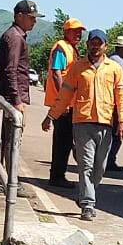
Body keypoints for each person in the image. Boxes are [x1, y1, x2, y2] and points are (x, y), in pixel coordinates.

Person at [64, 28, 123, 221]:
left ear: (105, 46)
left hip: (106, 122)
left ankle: (87, 190)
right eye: (92, 43)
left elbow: (122, 96)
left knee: (99, 167)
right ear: (88, 45)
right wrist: (52, 115)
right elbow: (65, 92)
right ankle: (88, 204)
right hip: (82, 122)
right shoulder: (77, 68)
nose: (95, 46)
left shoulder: (114, 68)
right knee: (85, 166)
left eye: (99, 43)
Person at [40, 17, 85, 187]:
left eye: (80, 32)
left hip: (68, 102)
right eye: (75, 31)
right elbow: (57, 73)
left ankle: (59, 174)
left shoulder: (70, 49)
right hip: (63, 102)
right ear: (66, 32)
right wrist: (63, 99)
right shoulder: (61, 48)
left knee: (65, 140)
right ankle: (57, 176)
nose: (78, 34)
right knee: (62, 140)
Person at [0, 0, 40, 117]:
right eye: (31, 17)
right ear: (19, 16)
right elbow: (11, 70)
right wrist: (16, 100)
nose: (35, 21)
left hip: (10, 97)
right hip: (12, 100)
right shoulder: (15, 37)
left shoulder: (15, 35)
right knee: (12, 133)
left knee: (10, 133)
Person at [105, 34, 123, 172]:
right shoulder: (119, 63)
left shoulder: (111, 59)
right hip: (115, 101)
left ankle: (107, 159)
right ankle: (109, 160)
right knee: (117, 133)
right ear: (121, 48)